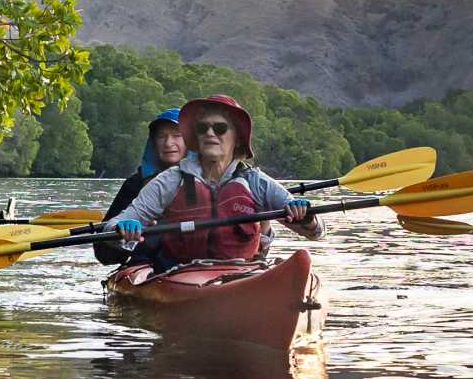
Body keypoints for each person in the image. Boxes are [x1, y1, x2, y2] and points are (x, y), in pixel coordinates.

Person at [106, 94, 321, 271]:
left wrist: (306, 217)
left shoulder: (256, 182)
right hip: (179, 274)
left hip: (240, 273)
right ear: (196, 138)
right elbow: (113, 225)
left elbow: (317, 232)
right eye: (202, 128)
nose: (210, 133)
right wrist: (121, 228)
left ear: (238, 138)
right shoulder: (171, 180)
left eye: (219, 128)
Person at [94, 108, 185, 265]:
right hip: (147, 264)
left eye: (177, 135)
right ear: (153, 143)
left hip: (193, 263)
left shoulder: (206, 180)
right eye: (161, 136)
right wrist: (121, 235)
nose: (168, 143)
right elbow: (103, 255)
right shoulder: (135, 184)